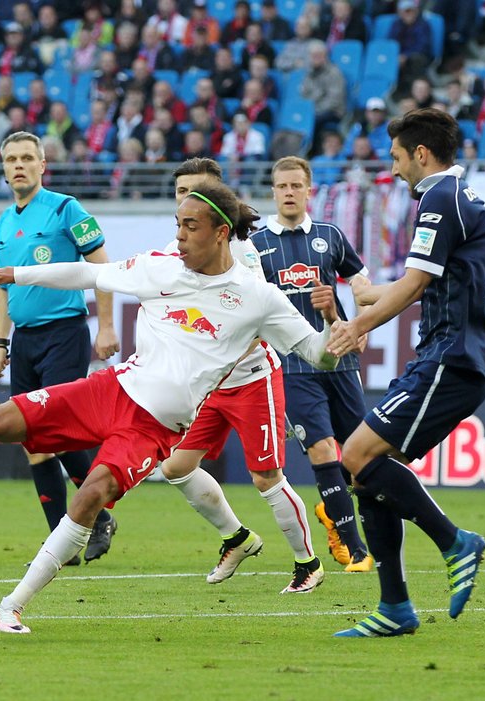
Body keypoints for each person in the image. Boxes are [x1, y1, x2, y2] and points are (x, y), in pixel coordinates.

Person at [0, 180, 343, 634]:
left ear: (221, 232)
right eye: (177, 224)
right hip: (111, 390)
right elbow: (89, 273)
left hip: (154, 428)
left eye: (190, 226)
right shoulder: (160, 267)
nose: (179, 236)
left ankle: (10, 606)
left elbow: (318, 355)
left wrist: (330, 322)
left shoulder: (257, 297)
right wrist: (8, 275)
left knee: (90, 494)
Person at [324, 108, 485, 637]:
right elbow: (424, 279)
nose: (395, 169)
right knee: (368, 475)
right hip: (450, 355)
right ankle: (395, 608)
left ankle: (455, 542)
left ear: (421, 153)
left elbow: (417, 284)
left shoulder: (440, 198)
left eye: (397, 157)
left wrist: (359, 325)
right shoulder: (457, 197)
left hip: (451, 357)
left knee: (354, 455)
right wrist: (367, 294)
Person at [161, 158, 323, 594]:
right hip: (210, 383)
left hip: (251, 379)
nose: (186, 199)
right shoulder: (175, 252)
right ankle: (236, 538)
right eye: (180, 193)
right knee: (175, 466)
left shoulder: (243, 252)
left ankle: (307, 563)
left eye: (194, 191)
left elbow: (251, 320)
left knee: (265, 478)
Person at [0, 131, 121, 565]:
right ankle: (60, 542)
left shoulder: (67, 208)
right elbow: (4, 286)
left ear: (43, 165)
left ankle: (99, 516)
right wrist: (1, 342)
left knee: (59, 429)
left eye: (27, 158)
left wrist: (106, 326)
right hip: (25, 339)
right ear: (4, 168)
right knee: (33, 440)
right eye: (12, 159)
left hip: (64, 333)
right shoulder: (4, 221)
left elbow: (102, 269)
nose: (19, 165)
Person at [250, 156, 373, 573]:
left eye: (296, 186)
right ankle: (356, 549)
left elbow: (359, 280)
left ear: (308, 190)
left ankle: (332, 512)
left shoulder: (329, 235)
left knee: (360, 454)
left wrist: (361, 322)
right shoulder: (256, 245)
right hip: (292, 364)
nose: (289, 193)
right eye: (282, 186)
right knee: (322, 447)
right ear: (273, 192)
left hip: (339, 358)